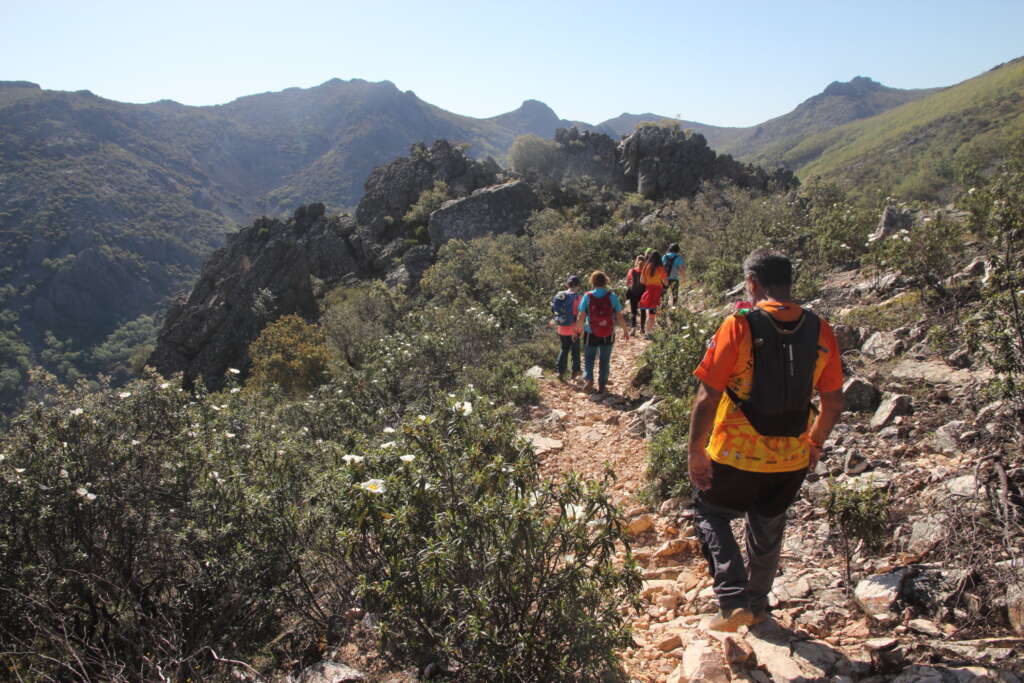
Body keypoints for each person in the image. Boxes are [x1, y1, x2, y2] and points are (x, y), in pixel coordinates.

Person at [687, 249, 844, 632]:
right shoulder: (820, 328)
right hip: (791, 457)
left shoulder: (738, 325)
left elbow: (707, 397)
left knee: (710, 512)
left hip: (735, 454)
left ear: (752, 283)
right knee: (768, 528)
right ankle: (757, 606)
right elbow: (834, 401)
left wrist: (695, 452)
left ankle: (732, 599)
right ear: (789, 282)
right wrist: (814, 444)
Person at [575, 270, 630, 395]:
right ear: (606, 281)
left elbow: (581, 316)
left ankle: (589, 379)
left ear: (592, 282)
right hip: (608, 332)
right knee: (605, 359)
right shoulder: (612, 296)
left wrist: (578, 330)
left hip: (590, 332)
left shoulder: (587, 296)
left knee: (589, 358)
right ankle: (602, 384)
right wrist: (625, 330)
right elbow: (619, 316)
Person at [551, 275, 582, 381]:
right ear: (578, 286)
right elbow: (581, 314)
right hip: (574, 329)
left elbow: (554, 310)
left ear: (568, 285)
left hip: (562, 328)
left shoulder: (560, 295)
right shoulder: (578, 298)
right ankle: (575, 373)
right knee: (575, 351)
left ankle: (560, 372)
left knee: (564, 349)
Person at [638, 251, 668, 336]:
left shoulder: (646, 267)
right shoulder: (660, 268)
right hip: (657, 293)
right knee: (652, 315)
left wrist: (649, 282)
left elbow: (642, 281)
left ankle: (648, 331)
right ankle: (648, 333)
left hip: (648, 292)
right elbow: (665, 283)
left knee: (650, 314)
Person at [625, 255, 647, 334]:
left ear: (637, 262)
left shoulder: (632, 270)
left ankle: (633, 328)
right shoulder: (646, 271)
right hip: (643, 293)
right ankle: (642, 328)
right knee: (643, 310)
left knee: (633, 311)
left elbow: (627, 283)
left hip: (633, 292)